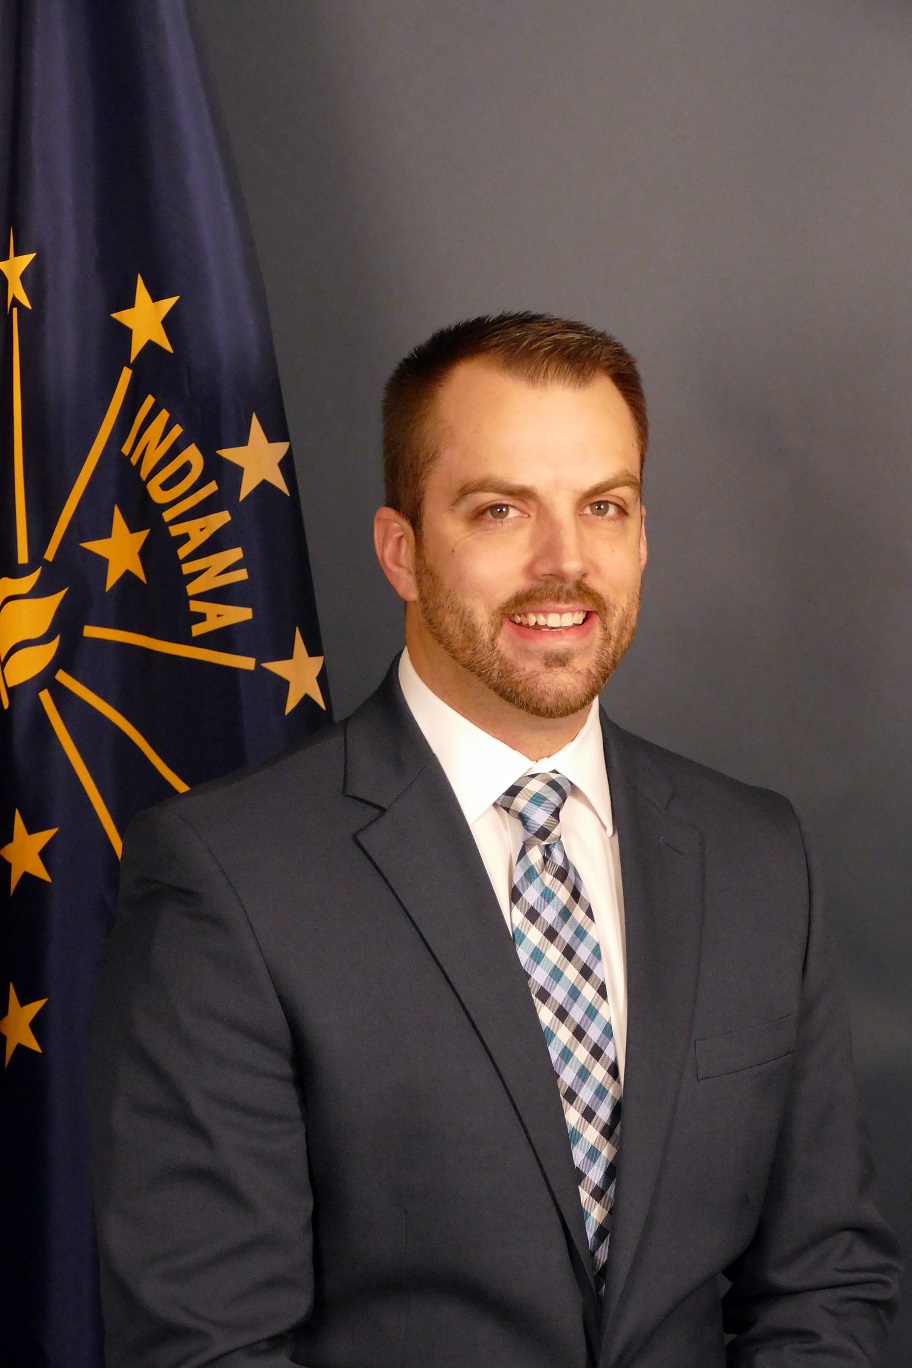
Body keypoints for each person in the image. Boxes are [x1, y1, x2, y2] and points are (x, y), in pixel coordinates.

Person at [89, 313, 901, 1368]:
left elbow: (825, 1280)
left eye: (603, 507)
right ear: (402, 552)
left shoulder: (758, 856)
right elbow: (208, 1346)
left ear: (642, 537)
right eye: (501, 511)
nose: (564, 564)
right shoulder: (226, 878)